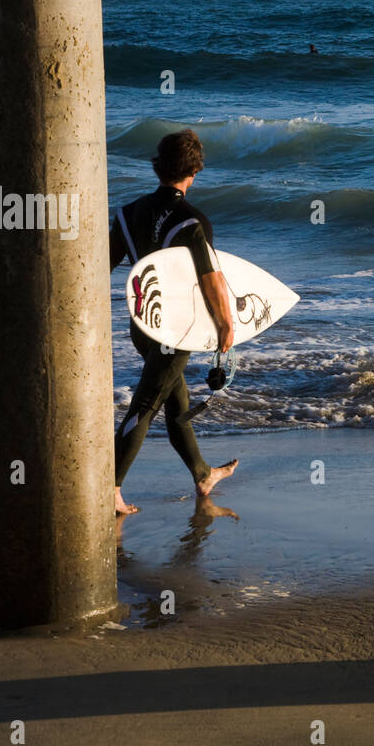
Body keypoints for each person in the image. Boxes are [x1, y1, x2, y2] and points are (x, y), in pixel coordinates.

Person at [108, 129, 238, 516]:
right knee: (146, 405)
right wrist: (226, 326)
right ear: (194, 170)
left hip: (142, 324)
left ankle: (202, 474)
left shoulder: (128, 214)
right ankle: (110, 489)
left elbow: (100, 265)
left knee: (174, 399)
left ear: (159, 167)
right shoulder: (191, 221)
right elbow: (211, 279)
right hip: (175, 330)